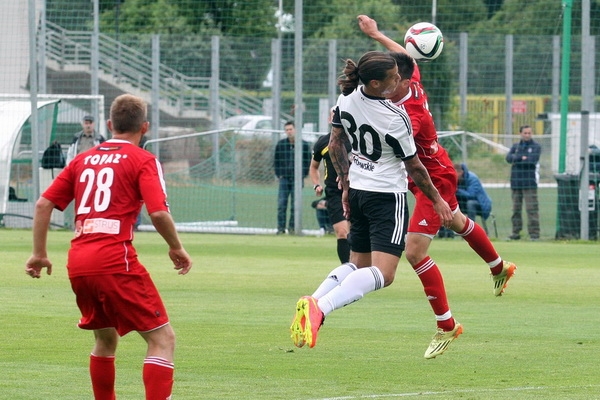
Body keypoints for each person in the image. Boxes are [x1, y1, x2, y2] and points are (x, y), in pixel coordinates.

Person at [357, 15, 517, 354]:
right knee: (457, 222)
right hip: (422, 172)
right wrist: (375, 34)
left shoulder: (409, 114)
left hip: (432, 177)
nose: (389, 81)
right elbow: (403, 55)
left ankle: (447, 325)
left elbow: (395, 149)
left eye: (391, 78)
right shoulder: (406, 76)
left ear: (397, 82)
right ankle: (499, 266)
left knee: (414, 252)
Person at [25, 94, 193, 400]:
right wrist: (176, 247)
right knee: (162, 339)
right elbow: (157, 212)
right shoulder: (143, 160)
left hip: (78, 262)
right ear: (145, 127)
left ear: (108, 124)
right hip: (115, 260)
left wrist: (39, 254)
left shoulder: (82, 159)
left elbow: (43, 204)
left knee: (105, 339)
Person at [290, 50, 455, 359]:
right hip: (386, 197)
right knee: (384, 274)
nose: (399, 81)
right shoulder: (395, 117)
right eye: (393, 77)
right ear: (377, 83)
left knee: (357, 264)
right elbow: (416, 167)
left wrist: (345, 184)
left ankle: (312, 300)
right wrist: (438, 200)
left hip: (358, 191)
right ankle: (320, 308)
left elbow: (336, 143)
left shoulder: (346, 99)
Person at [309, 108, 351, 262]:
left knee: (356, 234)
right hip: (334, 193)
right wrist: (316, 185)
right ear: (329, 119)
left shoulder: (356, 140)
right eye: (334, 116)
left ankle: (360, 268)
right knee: (342, 232)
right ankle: (347, 269)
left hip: (356, 191)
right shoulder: (322, 142)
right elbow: (313, 168)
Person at [273, 121, 312, 234]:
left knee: (296, 205)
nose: (289, 132)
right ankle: (280, 228)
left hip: (297, 180)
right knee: (281, 204)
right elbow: (276, 161)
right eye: (287, 130)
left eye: (291, 129)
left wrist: (303, 174)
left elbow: (308, 161)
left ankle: (292, 228)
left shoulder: (304, 145)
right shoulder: (281, 144)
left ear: (295, 130)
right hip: (284, 179)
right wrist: (279, 174)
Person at [506, 124, 541, 240]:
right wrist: (522, 157)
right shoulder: (515, 146)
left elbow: (532, 161)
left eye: (529, 133)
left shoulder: (536, 146)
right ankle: (515, 233)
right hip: (516, 182)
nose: (527, 135)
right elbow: (508, 158)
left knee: (532, 209)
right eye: (525, 133)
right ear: (520, 134)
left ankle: (534, 234)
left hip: (529, 183)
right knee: (516, 209)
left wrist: (518, 159)